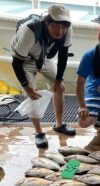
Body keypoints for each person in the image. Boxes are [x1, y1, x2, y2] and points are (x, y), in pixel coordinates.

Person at [11, 4, 76, 148]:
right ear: (47, 22)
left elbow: (63, 55)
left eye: (63, 26)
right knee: (32, 95)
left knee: (60, 88)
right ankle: (39, 133)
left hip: (43, 56)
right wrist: (27, 88)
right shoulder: (29, 31)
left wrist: (58, 80)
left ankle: (59, 124)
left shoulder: (67, 29)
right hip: (24, 59)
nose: (60, 31)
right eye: (56, 26)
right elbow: (16, 63)